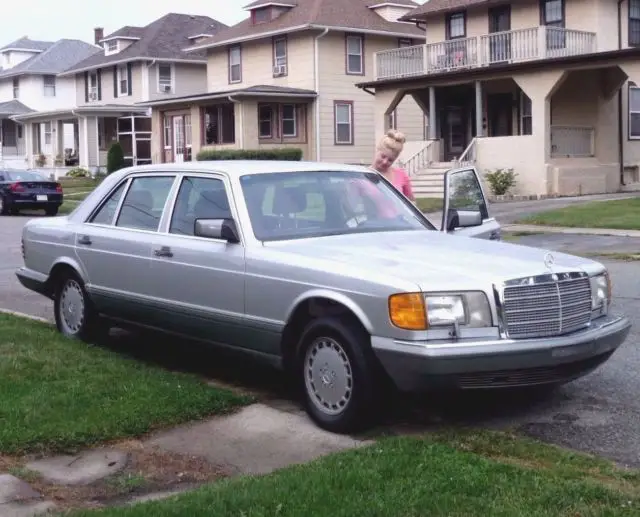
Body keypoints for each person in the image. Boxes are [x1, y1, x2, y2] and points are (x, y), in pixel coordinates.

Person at [370, 129, 415, 202]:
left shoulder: (401, 175)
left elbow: (412, 203)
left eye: (390, 160)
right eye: (383, 156)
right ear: (377, 150)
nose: (385, 162)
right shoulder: (362, 175)